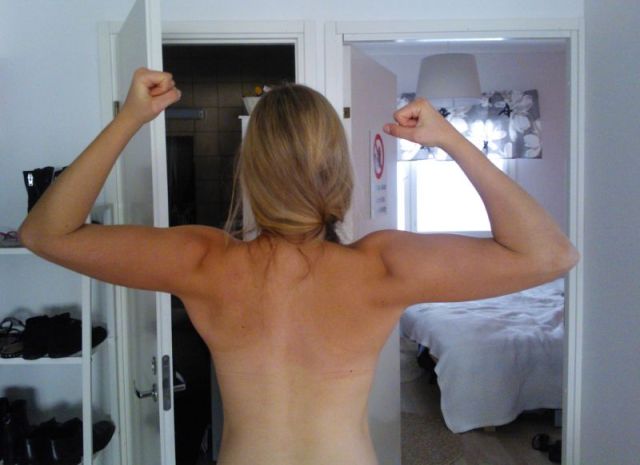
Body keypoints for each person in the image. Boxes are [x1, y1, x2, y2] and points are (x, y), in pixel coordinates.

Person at [19, 68, 579, 465]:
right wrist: (451, 138)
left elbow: (45, 233)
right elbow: (550, 254)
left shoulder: (203, 261)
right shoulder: (382, 267)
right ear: (337, 169)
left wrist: (131, 118)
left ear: (250, 170)